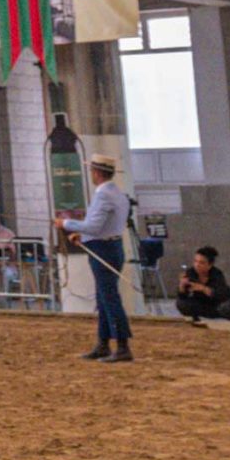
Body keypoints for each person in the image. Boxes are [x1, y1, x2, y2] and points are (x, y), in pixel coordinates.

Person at [56, 155, 133, 362]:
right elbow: (103, 225)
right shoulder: (118, 194)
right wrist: (84, 235)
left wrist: (65, 224)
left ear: (97, 173)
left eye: (91, 171)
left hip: (103, 250)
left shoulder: (103, 195)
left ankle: (122, 345)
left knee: (108, 297)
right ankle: (104, 342)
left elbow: (92, 226)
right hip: (111, 245)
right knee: (103, 296)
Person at [174, 246, 230, 323]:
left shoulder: (216, 274)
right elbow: (183, 296)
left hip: (217, 305)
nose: (197, 265)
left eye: (201, 263)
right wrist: (182, 286)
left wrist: (204, 289)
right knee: (181, 303)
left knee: (229, 306)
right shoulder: (190, 273)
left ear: (210, 265)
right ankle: (195, 322)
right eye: (195, 261)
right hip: (201, 304)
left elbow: (221, 294)